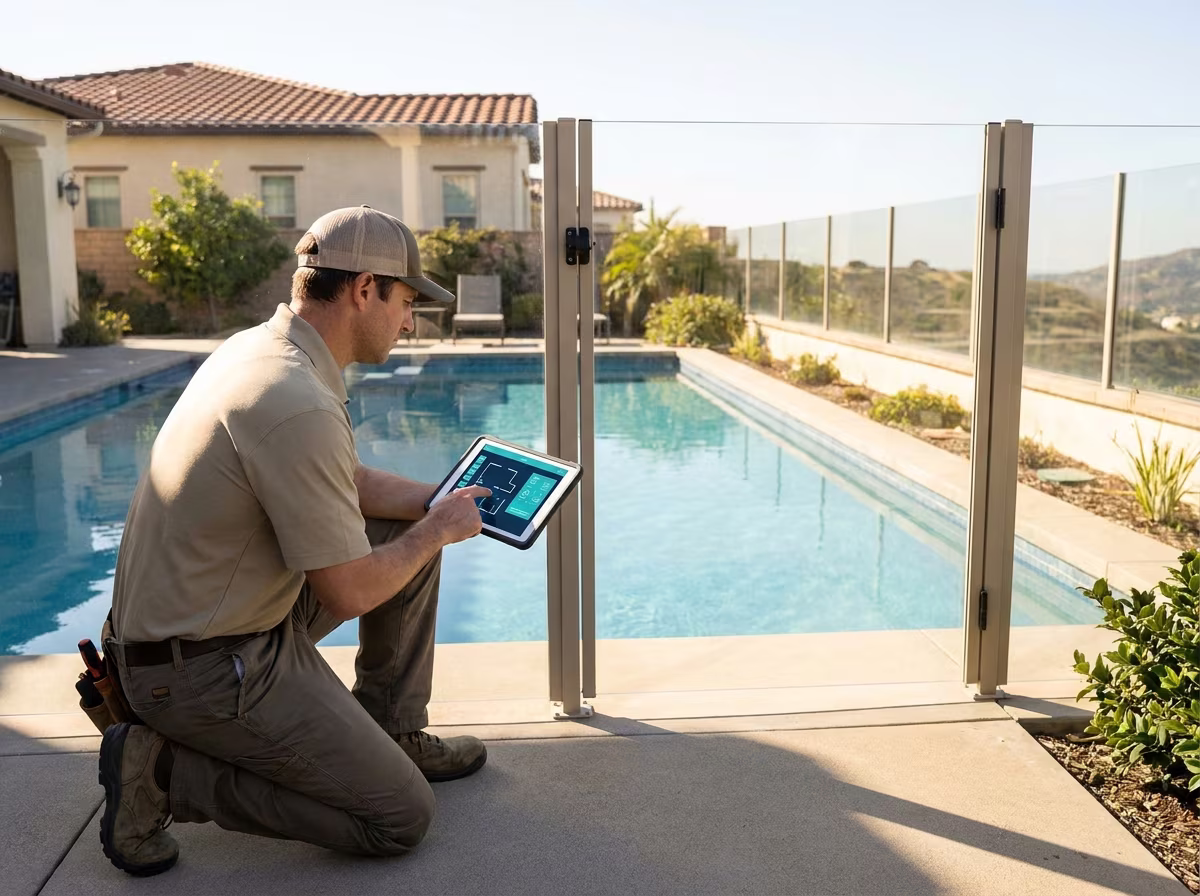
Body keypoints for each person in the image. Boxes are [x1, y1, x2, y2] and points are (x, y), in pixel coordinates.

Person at [97, 206, 493, 877]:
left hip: (198, 631)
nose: (408, 322)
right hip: (199, 671)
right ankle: (162, 773)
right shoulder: (295, 399)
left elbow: (349, 481)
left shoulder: (260, 351)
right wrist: (435, 532)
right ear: (364, 289)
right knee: (398, 817)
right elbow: (347, 588)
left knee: (408, 533)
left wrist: (437, 504)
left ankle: (395, 731)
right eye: (405, 303)